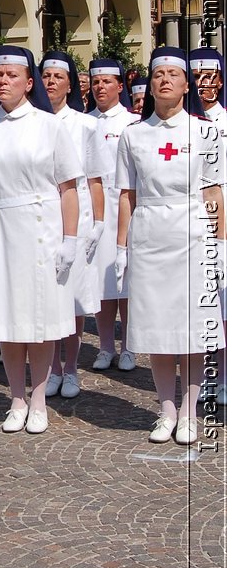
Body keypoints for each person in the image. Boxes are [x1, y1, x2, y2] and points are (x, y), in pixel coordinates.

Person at [0, 46, 80, 435]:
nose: (2, 83)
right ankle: (16, 398)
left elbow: (68, 188)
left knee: (40, 319)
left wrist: (70, 239)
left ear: (29, 83)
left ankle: (40, 398)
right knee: (8, 319)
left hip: (41, 227)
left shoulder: (50, 126)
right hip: (0, 228)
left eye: (11, 76)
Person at [115, 48, 224, 444]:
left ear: (185, 84)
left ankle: (191, 412)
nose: (164, 80)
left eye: (172, 74)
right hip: (150, 233)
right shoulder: (133, 135)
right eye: (157, 73)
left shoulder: (203, 131)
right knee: (158, 327)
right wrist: (121, 247)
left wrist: (220, 244)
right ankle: (165, 410)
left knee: (192, 329)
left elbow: (213, 191)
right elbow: (127, 194)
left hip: (192, 232)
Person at [40, 52, 105, 400]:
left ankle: (71, 368)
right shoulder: (33, 122)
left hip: (76, 217)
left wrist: (98, 223)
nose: (50, 82)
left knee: (75, 298)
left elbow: (94, 179)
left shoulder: (86, 125)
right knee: (51, 297)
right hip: (44, 215)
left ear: (70, 84)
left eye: (57, 76)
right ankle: (50, 368)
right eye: (46, 75)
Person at [88, 59, 139, 371]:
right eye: (96, 82)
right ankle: (106, 345)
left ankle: (129, 345)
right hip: (96, 208)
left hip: (126, 204)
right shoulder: (86, 122)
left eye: (106, 82)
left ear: (120, 86)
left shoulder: (132, 123)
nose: (100, 88)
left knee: (128, 282)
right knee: (101, 281)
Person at [190, 47, 227, 407]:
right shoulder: (191, 126)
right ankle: (207, 373)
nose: (204, 85)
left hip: (224, 214)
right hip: (198, 215)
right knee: (205, 303)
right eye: (197, 78)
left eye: (209, 77)